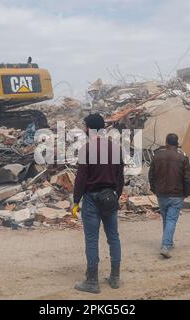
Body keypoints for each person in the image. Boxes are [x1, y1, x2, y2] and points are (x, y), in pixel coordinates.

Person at [72, 113, 124, 294]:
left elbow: (81, 178)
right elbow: (120, 176)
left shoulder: (86, 149)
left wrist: (75, 201)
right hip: (110, 197)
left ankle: (92, 282)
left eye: (84, 126)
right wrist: (116, 195)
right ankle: (115, 278)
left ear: (89, 128)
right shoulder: (116, 148)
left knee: (92, 239)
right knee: (113, 237)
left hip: (92, 199)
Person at [149, 133, 190, 258]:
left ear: (166, 143)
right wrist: (186, 193)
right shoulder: (183, 159)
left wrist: (154, 189)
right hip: (177, 194)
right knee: (171, 219)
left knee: (166, 218)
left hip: (161, 194)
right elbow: (187, 179)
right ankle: (166, 246)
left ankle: (168, 242)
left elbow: (151, 175)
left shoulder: (157, 157)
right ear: (177, 144)